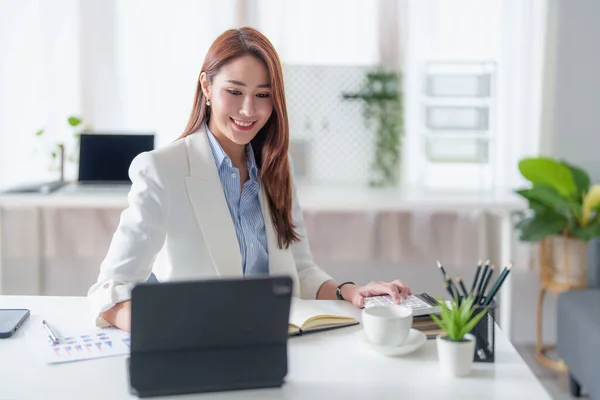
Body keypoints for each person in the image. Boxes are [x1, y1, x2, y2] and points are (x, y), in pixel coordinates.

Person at [87, 27, 412, 331]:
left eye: (262, 95)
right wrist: (170, 328)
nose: (248, 110)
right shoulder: (161, 169)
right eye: (234, 91)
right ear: (206, 87)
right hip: (205, 348)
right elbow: (110, 291)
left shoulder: (277, 165)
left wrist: (352, 292)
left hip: (278, 342)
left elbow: (299, 271)